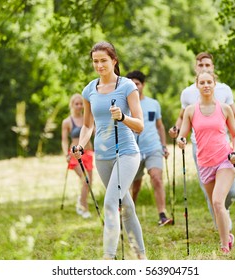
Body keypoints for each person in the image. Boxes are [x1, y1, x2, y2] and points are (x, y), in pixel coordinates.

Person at [71, 42, 146, 260]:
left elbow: (140, 124)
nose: (99, 65)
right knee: (128, 207)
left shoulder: (127, 87)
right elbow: (87, 125)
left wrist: (122, 117)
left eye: (103, 60)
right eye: (95, 61)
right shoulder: (89, 90)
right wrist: (81, 145)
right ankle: (142, 257)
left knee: (111, 203)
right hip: (103, 157)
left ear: (114, 61)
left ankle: (108, 259)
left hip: (127, 153)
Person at [169, 52, 235, 231]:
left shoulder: (224, 90)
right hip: (200, 146)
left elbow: (234, 115)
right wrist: (177, 133)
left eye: (207, 65)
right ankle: (222, 228)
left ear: (212, 68)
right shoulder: (188, 93)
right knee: (211, 194)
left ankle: (221, 211)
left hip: (222, 146)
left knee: (232, 192)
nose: (204, 68)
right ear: (196, 68)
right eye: (200, 65)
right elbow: (183, 118)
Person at [177, 70, 235, 253]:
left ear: (214, 84)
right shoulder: (190, 111)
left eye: (209, 82)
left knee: (218, 202)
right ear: (197, 85)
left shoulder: (224, 109)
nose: (206, 85)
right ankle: (228, 236)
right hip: (204, 163)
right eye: (202, 82)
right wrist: (181, 141)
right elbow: (183, 136)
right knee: (215, 204)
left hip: (224, 160)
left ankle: (223, 245)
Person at [126, 70, 173, 226]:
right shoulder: (125, 105)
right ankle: (128, 211)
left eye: (137, 83)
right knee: (135, 185)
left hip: (153, 147)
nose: (135, 86)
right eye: (131, 84)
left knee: (157, 178)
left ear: (143, 85)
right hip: (133, 150)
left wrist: (164, 145)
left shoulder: (153, 104)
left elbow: (160, 126)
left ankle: (162, 214)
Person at [61, 93, 94, 219]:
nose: (79, 106)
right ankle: (83, 207)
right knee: (86, 180)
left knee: (89, 182)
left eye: (81, 104)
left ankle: (81, 200)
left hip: (88, 153)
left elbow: (96, 131)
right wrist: (65, 154)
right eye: (77, 104)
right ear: (72, 105)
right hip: (75, 155)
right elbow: (64, 140)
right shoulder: (67, 122)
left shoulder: (88, 118)